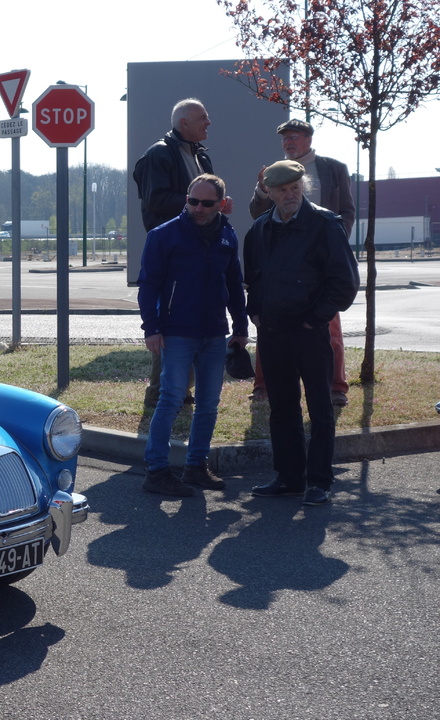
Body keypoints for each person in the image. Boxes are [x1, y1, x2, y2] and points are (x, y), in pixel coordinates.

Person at [244, 160, 360, 506]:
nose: (291, 195)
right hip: (272, 333)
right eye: (283, 190)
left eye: (296, 188)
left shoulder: (325, 224)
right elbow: (252, 279)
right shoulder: (260, 229)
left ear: (303, 187)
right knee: (282, 408)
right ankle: (289, 477)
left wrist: (314, 319)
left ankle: (320, 481)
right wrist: (255, 313)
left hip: (310, 333)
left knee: (320, 408)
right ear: (269, 192)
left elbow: (345, 283)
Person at [137, 174, 249, 496]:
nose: (198, 208)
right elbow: (148, 285)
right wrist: (152, 328)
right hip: (176, 332)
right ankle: (156, 471)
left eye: (207, 203)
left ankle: (196, 466)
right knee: (171, 399)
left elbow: (234, 283)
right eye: (193, 201)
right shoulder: (164, 235)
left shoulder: (227, 234)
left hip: (214, 332)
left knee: (209, 403)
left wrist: (241, 327)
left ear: (221, 204)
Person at [247, 118, 357, 406]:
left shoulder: (333, 168)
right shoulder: (274, 172)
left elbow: (346, 211)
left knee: (329, 326)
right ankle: (264, 386)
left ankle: (336, 386)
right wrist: (262, 189)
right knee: (269, 328)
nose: (288, 142)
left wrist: (333, 246)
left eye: (294, 137)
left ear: (308, 139)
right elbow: (257, 214)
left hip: (321, 264)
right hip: (282, 263)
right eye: (285, 138)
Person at [133, 99, 234, 409]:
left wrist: (215, 206)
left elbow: (207, 194)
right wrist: (202, 204)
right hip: (174, 252)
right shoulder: (159, 154)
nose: (209, 123)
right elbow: (155, 200)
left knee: (196, 322)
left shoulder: (201, 155)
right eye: (203, 118)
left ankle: (182, 390)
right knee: (170, 323)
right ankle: (160, 394)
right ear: (184, 123)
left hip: (203, 248)